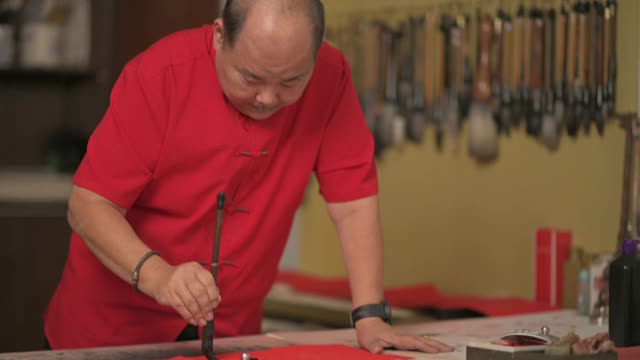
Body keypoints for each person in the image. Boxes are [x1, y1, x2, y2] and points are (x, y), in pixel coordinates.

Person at [44, 0, 453, 354]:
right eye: (251, 77)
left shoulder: (332, 77)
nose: (268, 99)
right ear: (220, 36)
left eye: (292, 81)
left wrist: (369, 316)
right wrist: (159, 276)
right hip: (110, 331)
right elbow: (89, 205)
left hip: (229, 334)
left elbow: (352, 205)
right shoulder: (159, 75)